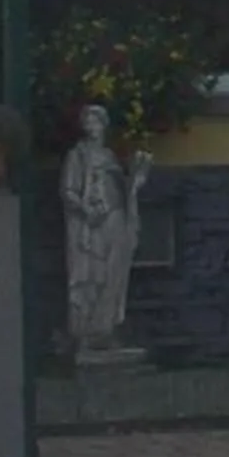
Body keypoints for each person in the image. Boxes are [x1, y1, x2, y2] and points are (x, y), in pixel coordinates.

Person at [61, 102, 151, 352]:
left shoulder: (110, 157)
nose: (93, 127)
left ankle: (108, 328)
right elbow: (69, 190)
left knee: (115, 274)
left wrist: (136, 180)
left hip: (115, 218)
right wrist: (85, 209)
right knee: (91, 274)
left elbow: (123, 190)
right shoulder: (77, 155)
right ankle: (88, 331)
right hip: (90, 225)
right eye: (89, 122)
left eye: (97, 121)